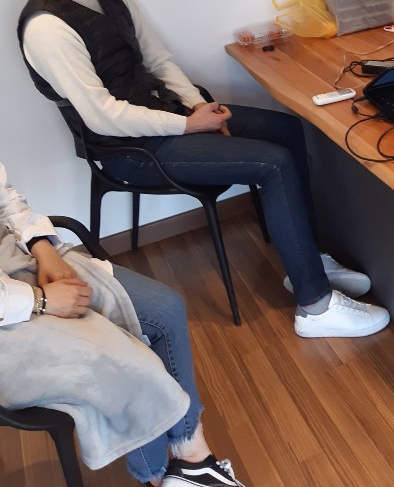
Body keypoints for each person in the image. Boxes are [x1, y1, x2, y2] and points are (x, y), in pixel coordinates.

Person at [11, 0, 389, 341]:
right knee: (273, 163)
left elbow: (158, 60)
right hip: (127, 150)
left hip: (169, 117)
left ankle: (307, 260)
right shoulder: (47, 28)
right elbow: (103, 118)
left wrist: (196, 105)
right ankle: (316, 306)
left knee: (287, 128)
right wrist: (190, 124)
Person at [0, 161, 245, 486]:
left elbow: (6, 199)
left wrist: (43, 249)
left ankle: (193, 459)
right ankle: (156, 477)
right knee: (126, 361)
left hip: (15, 258)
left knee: (165, 310)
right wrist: (40, 300)